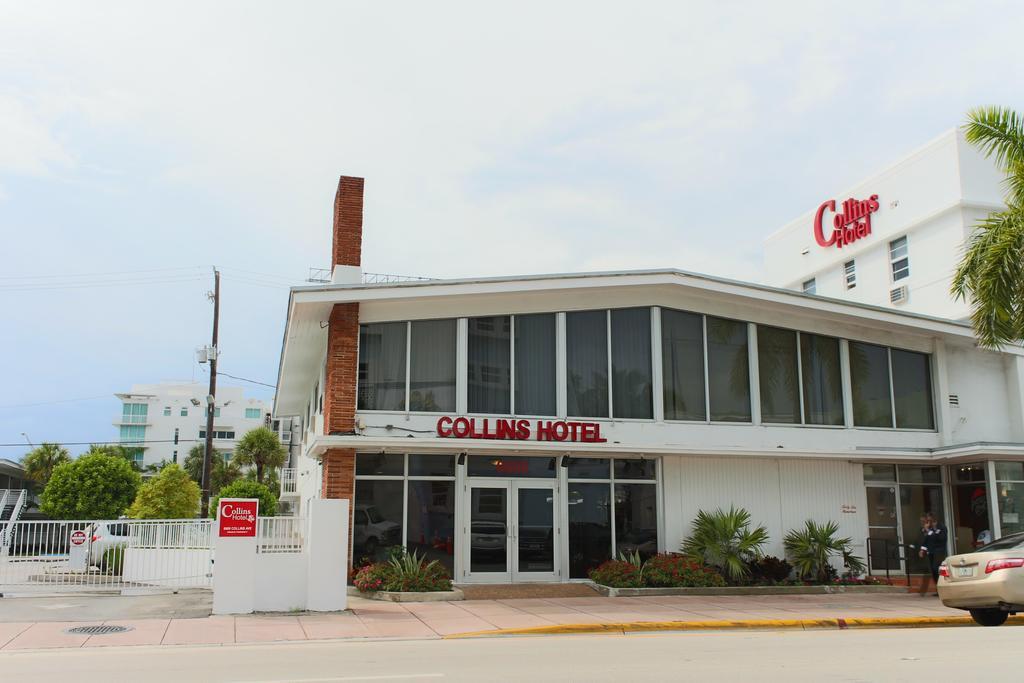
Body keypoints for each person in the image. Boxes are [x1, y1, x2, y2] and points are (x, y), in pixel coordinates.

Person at [917, 513, 948, 596]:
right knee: (933, 571)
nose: (928, 522)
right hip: (931, 552)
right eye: (928, 520)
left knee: (936, 568)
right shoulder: (930, 528)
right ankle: (938, 590)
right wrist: (922, 549)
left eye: (929, 520)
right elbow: (926, 540)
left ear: (934, 520)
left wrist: (929, 531)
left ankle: (942, 589)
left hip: (939, 551)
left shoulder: (942, 528)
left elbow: (941, 539)